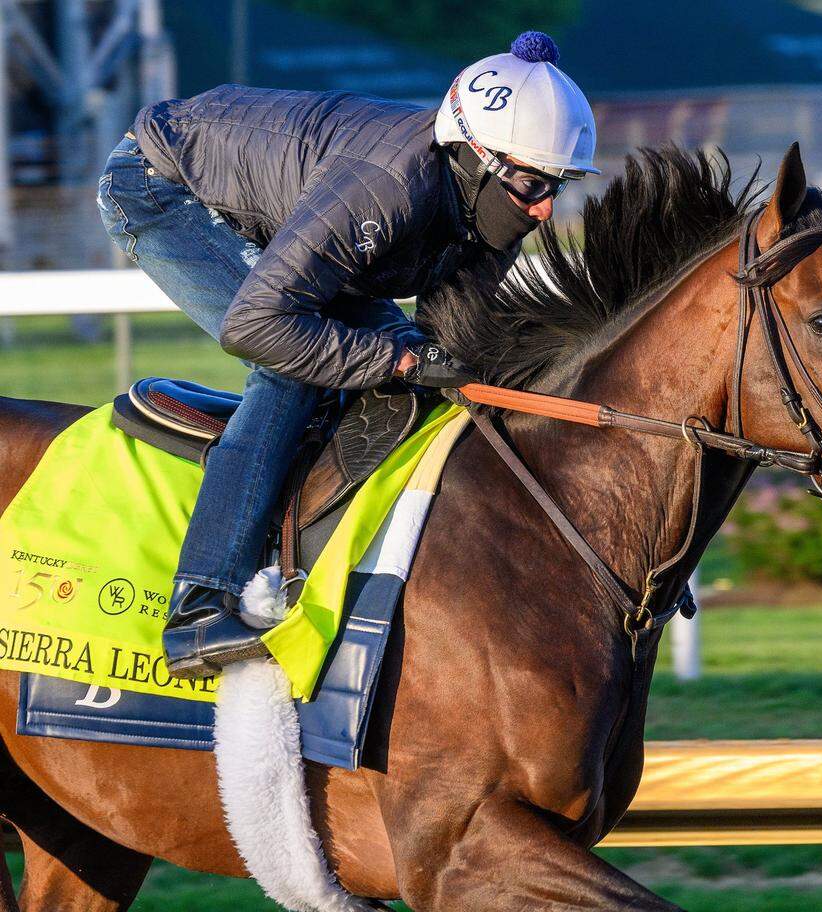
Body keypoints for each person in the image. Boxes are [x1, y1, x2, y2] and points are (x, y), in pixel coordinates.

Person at [97, 31, 597, 680]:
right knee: (291, 370)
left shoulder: (488, 211)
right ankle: (198, 605)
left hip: (290, 206)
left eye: (558, 184)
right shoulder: (387, 190)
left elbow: (447, 346)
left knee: (407, 367)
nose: (546, 207)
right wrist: (397, 363)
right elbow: (258, 326)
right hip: (162, 185)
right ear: (476, 158)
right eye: (533, 183)